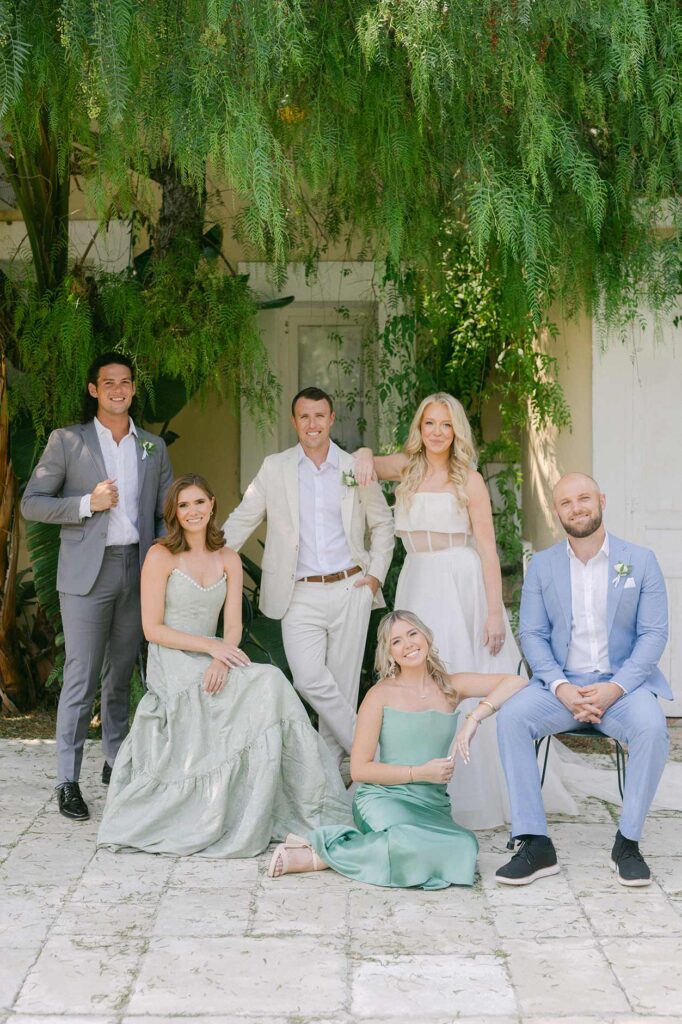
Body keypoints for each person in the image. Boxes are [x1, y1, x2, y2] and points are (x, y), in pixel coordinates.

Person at [97, 474, 351, 856]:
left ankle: (298, 800)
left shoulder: (228, 558)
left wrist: (221, 655)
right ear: (174, 513)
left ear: (213, 504)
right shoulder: (160, 555)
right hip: (174, 655)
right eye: (184, 505)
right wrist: (210, 650)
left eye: (199, 502)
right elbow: (153, 629)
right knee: (246, 685)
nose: (193, 511)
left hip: (215, 651)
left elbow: (232, 627)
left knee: (270, 681)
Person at [353, 392, 548, 828]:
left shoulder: (469, 480)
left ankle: (475, 789)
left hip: (462, 580)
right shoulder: (406, 467)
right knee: (412, 669)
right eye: (429, 424)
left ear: (456, 431)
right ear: (419, 430)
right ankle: (415, 776)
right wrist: (365, 453)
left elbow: (488, 549)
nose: (437, 432)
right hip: (417, 575)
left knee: (458, 665)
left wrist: (495, 610)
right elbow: (362, 459)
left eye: (446, 425)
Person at [495, 472, 670, 887]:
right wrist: (562, 688)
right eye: (566, 503)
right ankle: (535, 844)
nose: (577, 508)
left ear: (602, 501)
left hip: (622, 687)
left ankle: (627, 843)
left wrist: (615, 688)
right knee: (511, 718)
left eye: (584, 498)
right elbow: (533, 634)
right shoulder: (542, 566)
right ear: (557, 512)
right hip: (561, 687)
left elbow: (653, 635)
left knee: (652, 728)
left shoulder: (640, 561)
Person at [267, 610, 527, 888]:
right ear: (389, 653)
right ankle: (320, 855)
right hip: (382, 798)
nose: (408, 645)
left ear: (426, 636)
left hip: (431, 804)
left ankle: (336, 851)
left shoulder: (451, 687)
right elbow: (360, 769)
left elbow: (517, 681)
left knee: (465, 845)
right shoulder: (380, 694)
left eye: (413, 634)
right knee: (409, 840)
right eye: (397, 641)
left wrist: (475, 717)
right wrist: (420, 772)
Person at [21, 352, 172, 821]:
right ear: (93, 389)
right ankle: (68, 779)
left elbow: (163, 513)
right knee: (81, 676)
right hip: (87, 573)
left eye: (125, 382)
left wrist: (164, 562)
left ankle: (115, 762)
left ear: (132, 389)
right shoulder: (67, 441)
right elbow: (33, 503)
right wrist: (89, 502)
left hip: (137, 568)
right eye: (108, 382)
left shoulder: (152, 447)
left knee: (121, 675)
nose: (117, 389)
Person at [222, 387, 394, 768]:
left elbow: (383, 525)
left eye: (320, 416)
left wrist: (375, 577)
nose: (312, 424)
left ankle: (331, 786)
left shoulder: (354, 467)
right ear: (294, 422)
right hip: (298, 592)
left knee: (343, 691)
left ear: (331, 419)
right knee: (309, 679)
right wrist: (206, 557)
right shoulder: (275, 468)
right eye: (305, 416)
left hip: (352, 587)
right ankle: (376, 760)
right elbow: (242, 519)